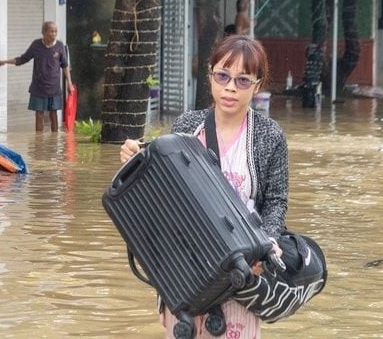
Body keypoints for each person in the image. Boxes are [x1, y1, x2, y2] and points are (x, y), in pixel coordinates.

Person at [120, 35, 288, 338]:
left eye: (243, 80)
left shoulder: (269, 136)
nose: (230, 87)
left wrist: (269, 245)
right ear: (210, 75)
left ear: (258, 84)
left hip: (242, 272)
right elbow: (163, 189)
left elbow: (275, 201)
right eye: (222, 75)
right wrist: (136, 158)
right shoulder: (187, 127)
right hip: (186, 269)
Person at [0, 21, 72, 132]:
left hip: (54, 87)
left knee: (53, 114)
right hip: (38, 86)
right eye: (51, 31)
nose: (54, 34)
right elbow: (23, 59)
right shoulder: (36, 45)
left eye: (55, 31)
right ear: (43, 32)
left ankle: (54, 141)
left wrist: (69, 83)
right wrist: (6, 61)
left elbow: (65, 66)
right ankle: (38, 141)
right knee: (39, 114)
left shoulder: (59, 46)